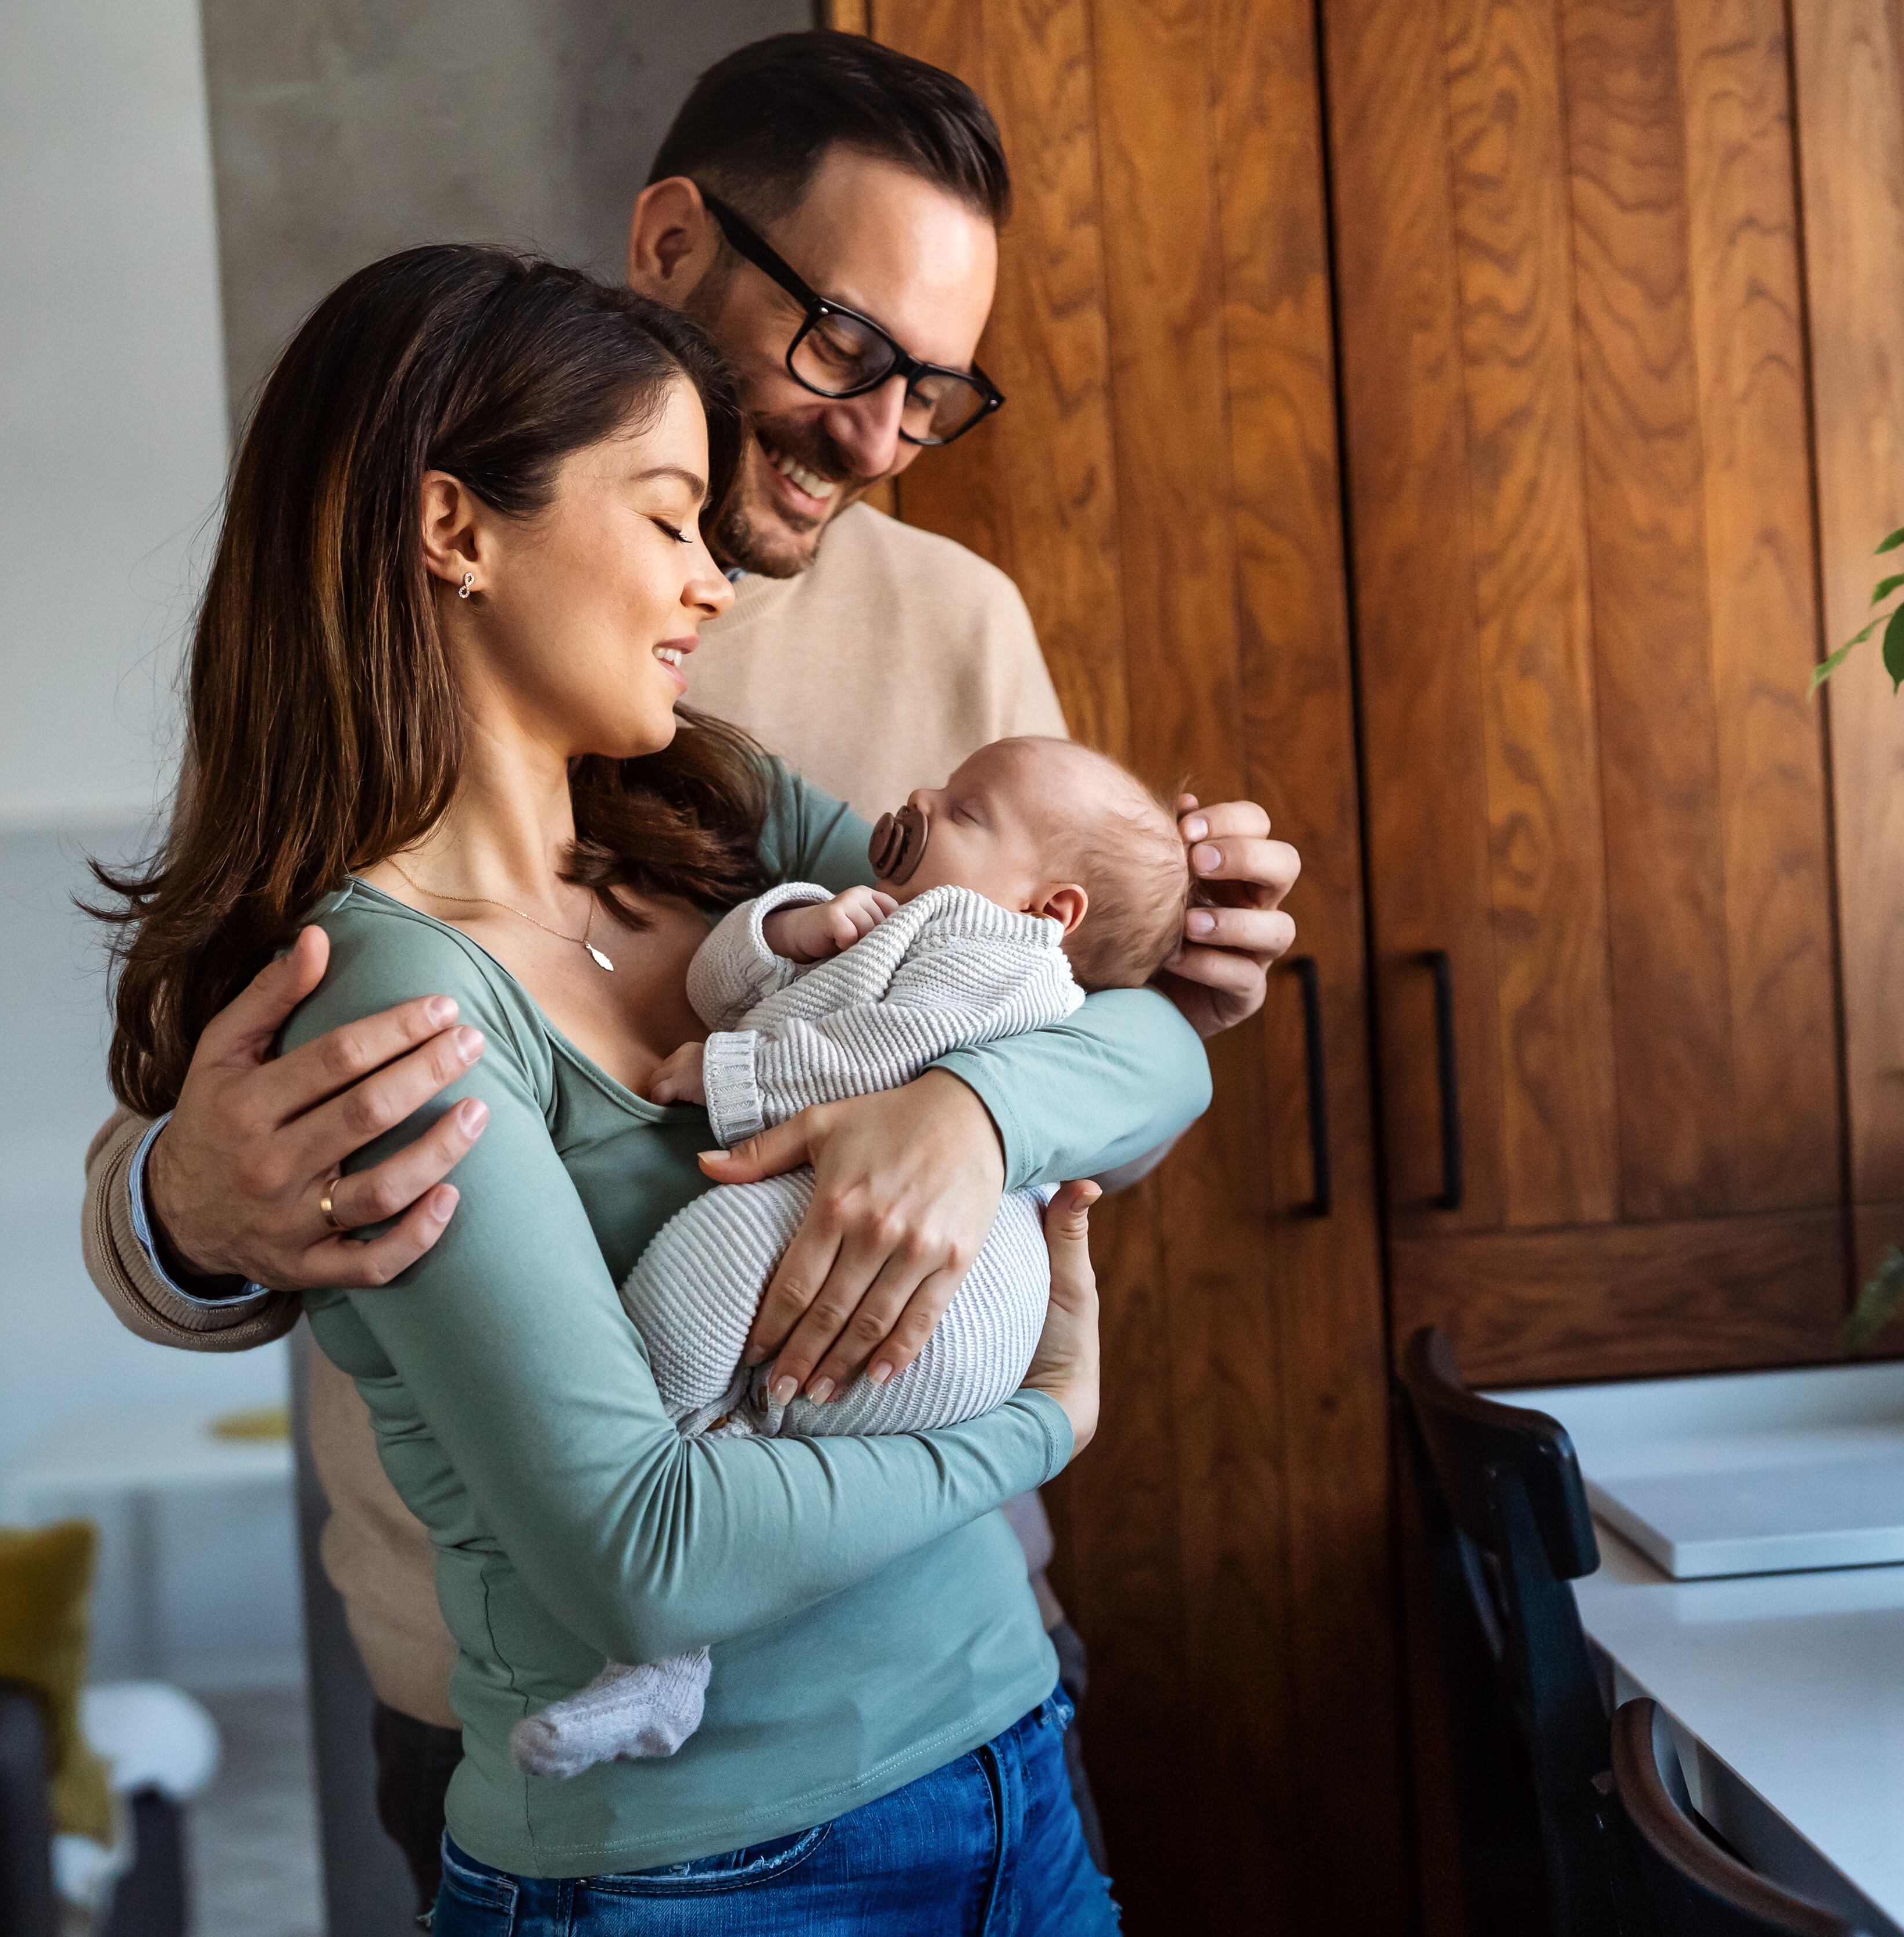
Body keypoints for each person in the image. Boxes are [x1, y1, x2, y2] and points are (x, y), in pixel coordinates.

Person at [74, 29, 1298, 1910]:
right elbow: (623, 1536)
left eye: (935, 393)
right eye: (847, 355)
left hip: (989, 1718)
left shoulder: (716, 786)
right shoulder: (387, 954)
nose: (881, 437)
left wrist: (970, 1106)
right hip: (658, 1801)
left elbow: (1112, 1022)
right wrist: (182, 1202)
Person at [514, 736, 1192, 1781]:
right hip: (888, 1260)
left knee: (699, 1265)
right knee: (728, 1343)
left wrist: (732, 1074)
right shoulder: (894, 912)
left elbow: (886, 1052)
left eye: (965, 811)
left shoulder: (1002, 953)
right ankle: (670, 1638)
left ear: (1053, 909)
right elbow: (718, 981)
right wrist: (795, 927)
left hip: (956, 1298)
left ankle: (664, 1622)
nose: (920, 797)